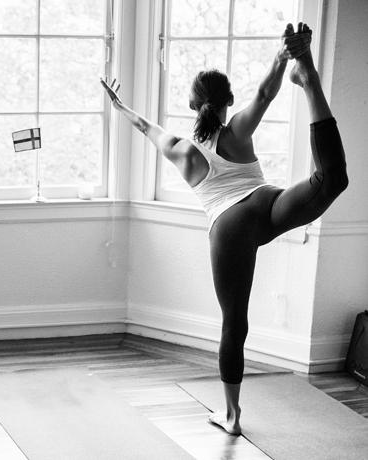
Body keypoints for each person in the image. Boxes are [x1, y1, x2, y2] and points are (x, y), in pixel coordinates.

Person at [102, 22, 348, 435]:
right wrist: (283, 56)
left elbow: (145, 127)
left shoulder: (180, 148)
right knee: (332, 179)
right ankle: (309, 83)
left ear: (193, 103)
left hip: (229, 226)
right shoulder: (236, 130)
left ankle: (231, 416)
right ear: (227, 101)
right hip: (266, 203)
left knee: (234, 322)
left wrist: (120, 105)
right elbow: (266, 94)